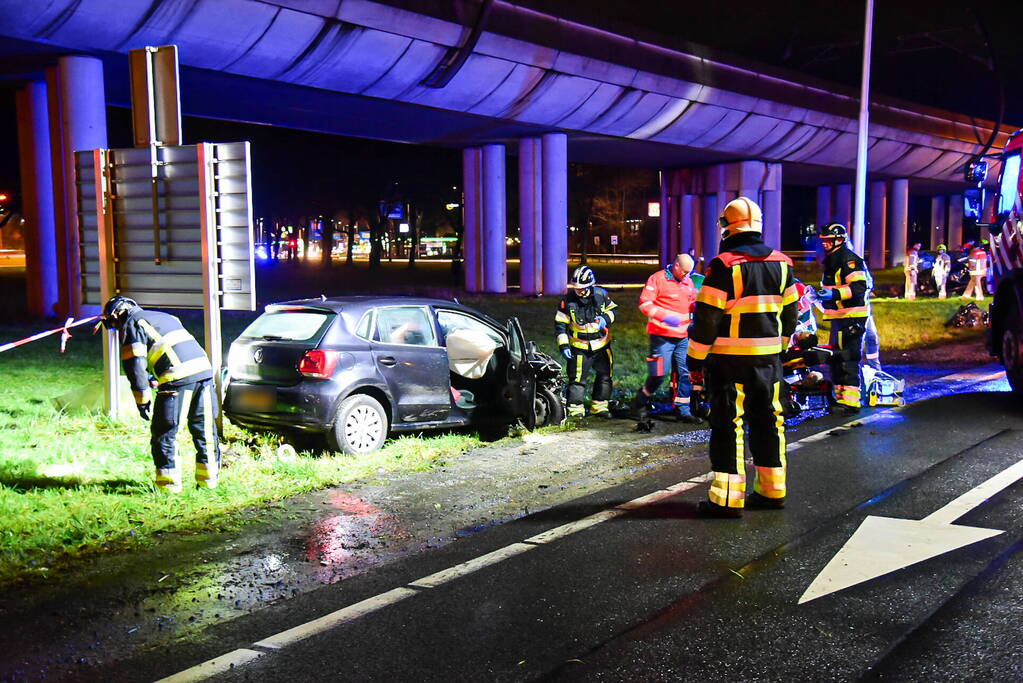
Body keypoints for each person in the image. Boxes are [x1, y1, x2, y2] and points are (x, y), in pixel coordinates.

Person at [687, 197, 798, 518]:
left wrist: (695, 359)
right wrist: (779, 348)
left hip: (729, 362)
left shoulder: (724, 265)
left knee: (728, 425)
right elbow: (790, 314)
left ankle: (726, 499)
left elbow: (706, 320)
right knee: (769, 422)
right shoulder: (783, 263)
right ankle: (772, 491)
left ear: (726, 227)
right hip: (768, 361)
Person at [100, 296, 220, 493]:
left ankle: (168, 487)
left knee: (165, 433)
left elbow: (135, 367)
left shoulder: (132, 323)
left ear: (117, 315)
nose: (117, 330)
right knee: (205, 430)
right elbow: (166, 347)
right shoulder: (164, 316)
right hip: (204, 372)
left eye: (114, 325)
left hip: (177, 379)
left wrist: (143, 400)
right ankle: (209, 482)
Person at [632, 253, 701, 423]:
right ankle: (639, 402)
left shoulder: (688, 281)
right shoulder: (657, 279)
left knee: (685, 373)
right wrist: (665, 317)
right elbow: (645, 303)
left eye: (689, 272)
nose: (687, 275)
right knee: (658, 374)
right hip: (662, 337)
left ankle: (683, 410)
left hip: (683, 337)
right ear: (676, 266)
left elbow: (691, 302)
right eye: (685, 271)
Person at [817, 223, 871, 414]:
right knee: (837, 358)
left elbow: (859, 287)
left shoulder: (848, 259)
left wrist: (834, 295)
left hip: (852, 317)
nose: (824, 243)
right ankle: (841, 398)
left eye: (828, 240)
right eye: (823, 240)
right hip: (839, 317)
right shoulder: (833, 260)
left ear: (839, 240)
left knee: (848, 358)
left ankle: (851, 402)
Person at [555, 266, 618, 418]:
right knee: (577, 378)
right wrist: (564, 345)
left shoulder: (601, 295)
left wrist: (605, 319)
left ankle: (600, 407)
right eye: (577, 288)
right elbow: (560, 325)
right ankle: (575, 409)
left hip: (602, 345)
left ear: (590, 285)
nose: (579, 291)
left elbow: (613, 310)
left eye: (582, 288)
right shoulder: (567, 301)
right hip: (579, 347)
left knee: (605, 376)